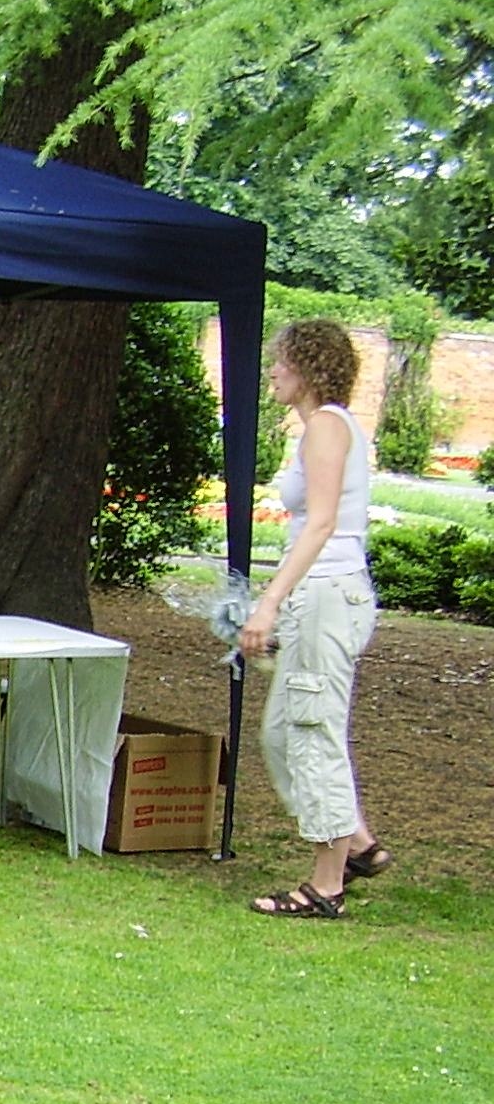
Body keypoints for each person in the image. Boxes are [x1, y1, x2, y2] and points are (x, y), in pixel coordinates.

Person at [239, 318, 388, 918]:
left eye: (281, 361)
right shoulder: (322, 428)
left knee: (311, 733)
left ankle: (327, 887)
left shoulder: (326, 427)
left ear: (306, 367)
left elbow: (321, 523)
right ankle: (357, 845)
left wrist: (269, 601)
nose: (273, 371)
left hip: (328, 594)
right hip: (321, 595)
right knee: (282, 734)